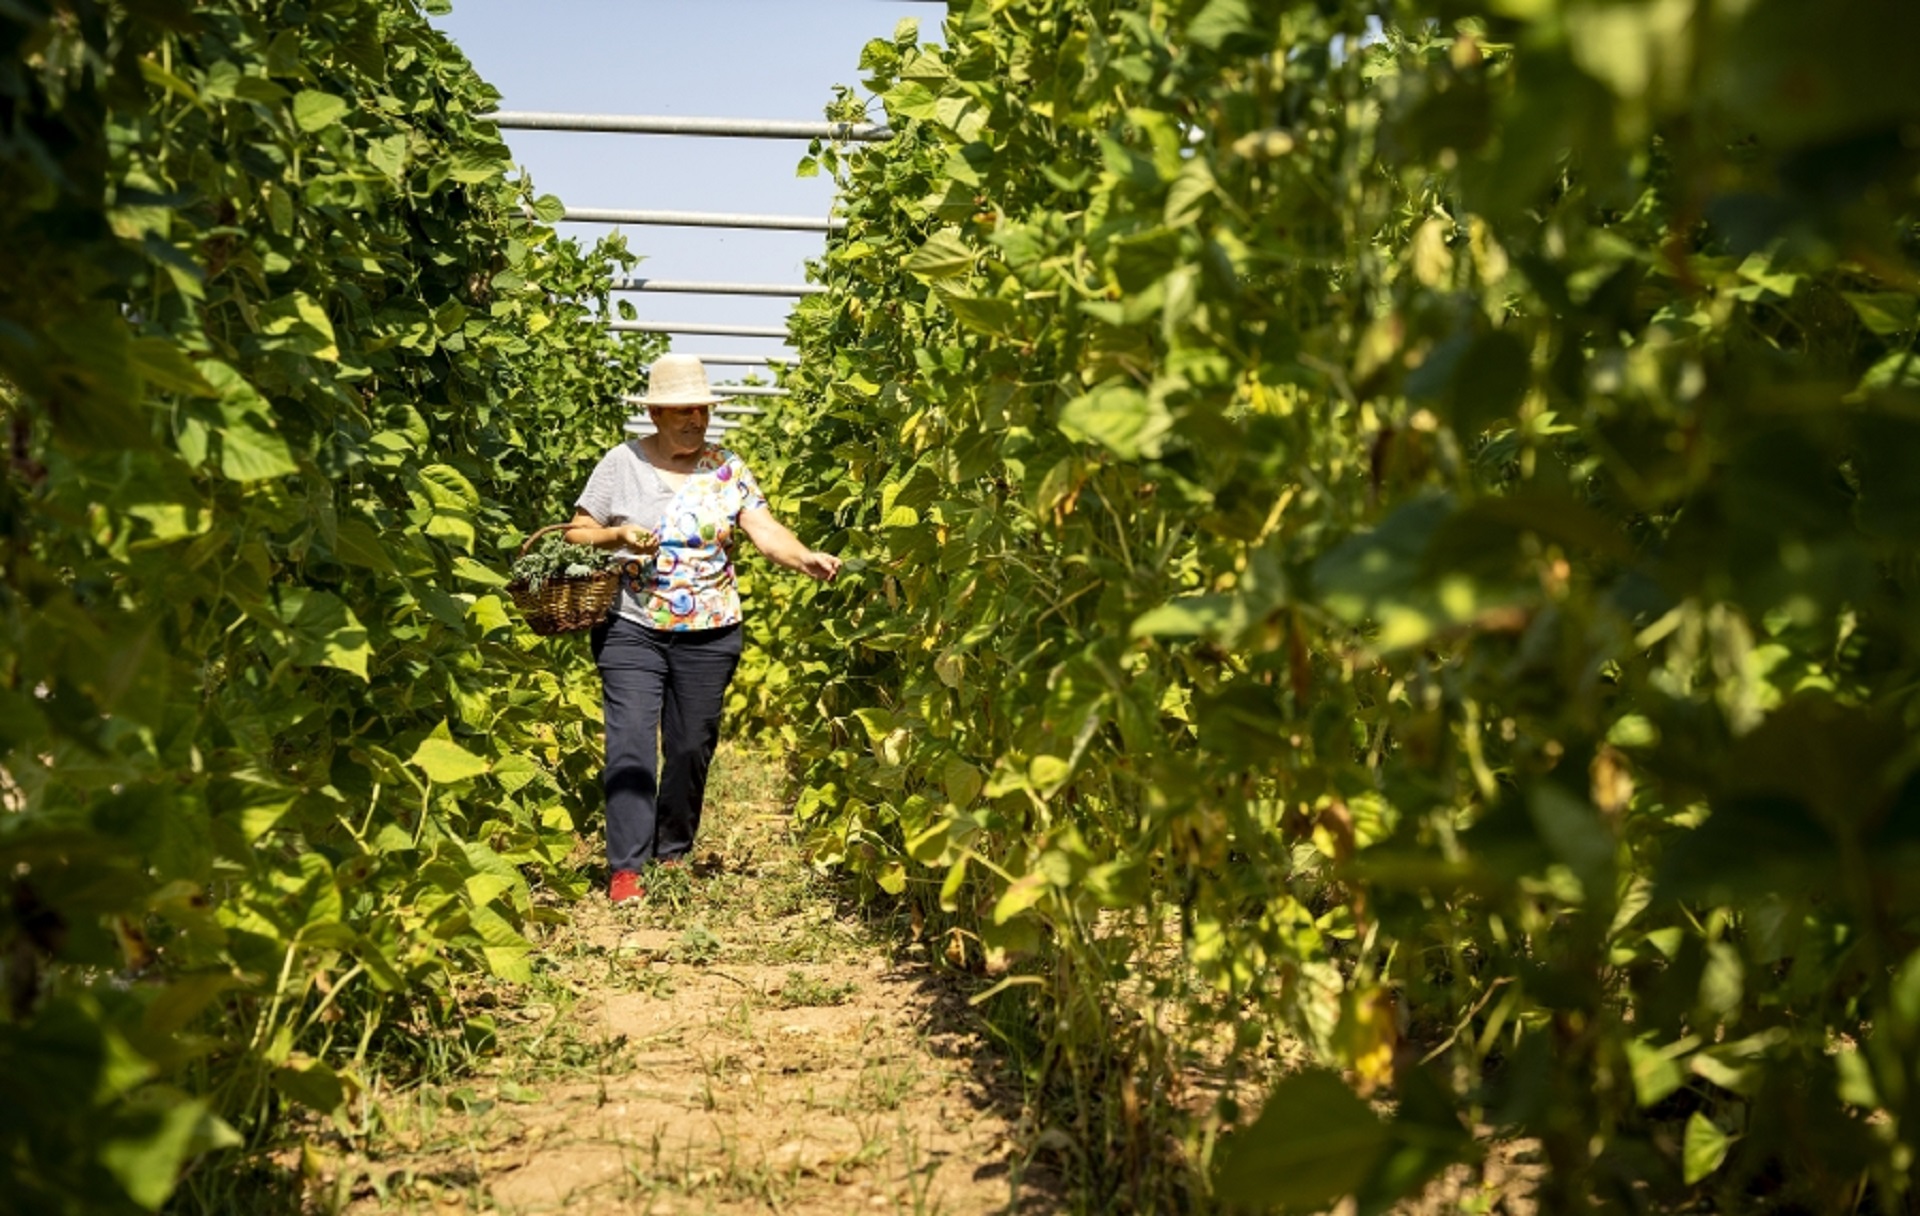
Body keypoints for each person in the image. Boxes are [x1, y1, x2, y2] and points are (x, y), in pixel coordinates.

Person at [565, 354, 840, 905]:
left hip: (711, 631)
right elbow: (577, 531)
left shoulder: (726, 467)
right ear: (655, 413)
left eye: (702, 410)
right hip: (631, 625)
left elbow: (764, 530)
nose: (696, 419)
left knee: (691, 747)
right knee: (631, 744)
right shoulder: (621, 463)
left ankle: (672, 854)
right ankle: (627, 869)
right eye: (683, 411)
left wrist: (804, 557)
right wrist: (617, 535)